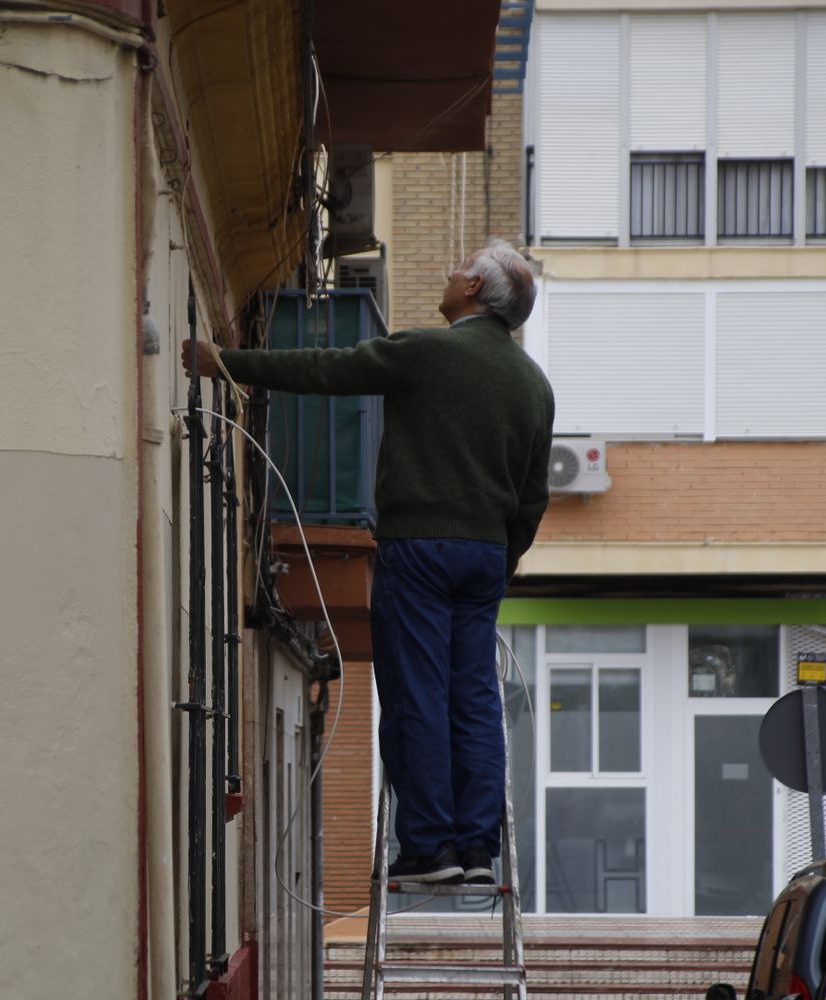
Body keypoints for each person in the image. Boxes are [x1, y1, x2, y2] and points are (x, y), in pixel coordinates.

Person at [182, 239, 555, 885]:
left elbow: (327, 369)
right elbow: (533, 494)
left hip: (418, 547)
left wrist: (227, 363)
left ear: (473, 291)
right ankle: (475, 849)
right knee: (472, 698)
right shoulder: (533, 385)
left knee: (416, 692)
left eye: (459, 268)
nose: (448, 271)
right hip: (486, 557)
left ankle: (428, 849)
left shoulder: (427, 352)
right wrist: (504, 555)